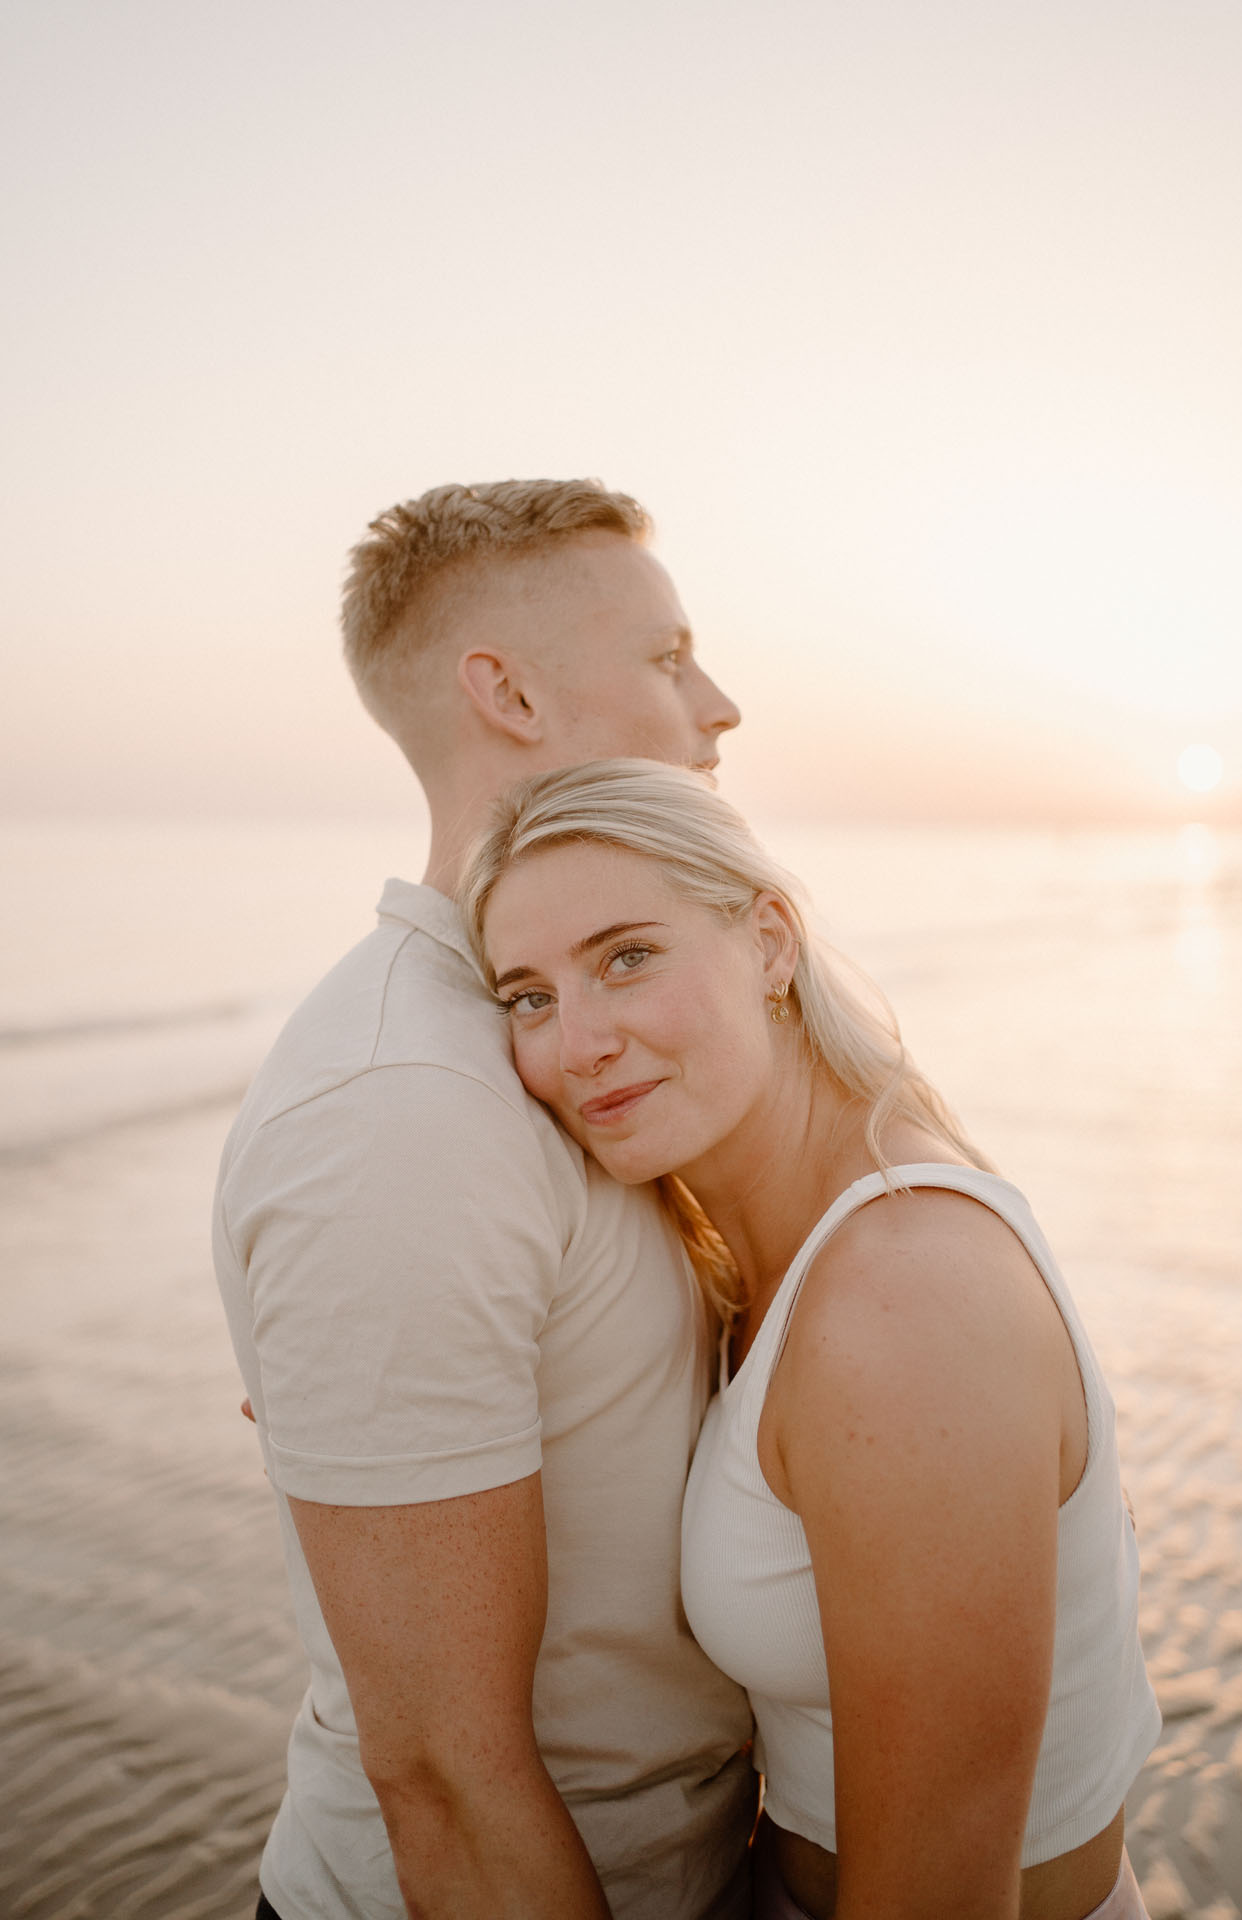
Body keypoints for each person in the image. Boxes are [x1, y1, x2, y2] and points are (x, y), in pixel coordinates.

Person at [459, 758, 1164, 1920]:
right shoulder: (747, 1238)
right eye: (527, 996)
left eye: (625, 957)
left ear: (770, 944)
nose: (575, 1042)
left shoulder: (904, 1296)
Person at [212, 482, 756, 1920]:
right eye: (667, 656)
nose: (721, 705)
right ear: (505, 692)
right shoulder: (403, 1115)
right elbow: (444, 1778)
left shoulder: (589, 1037)